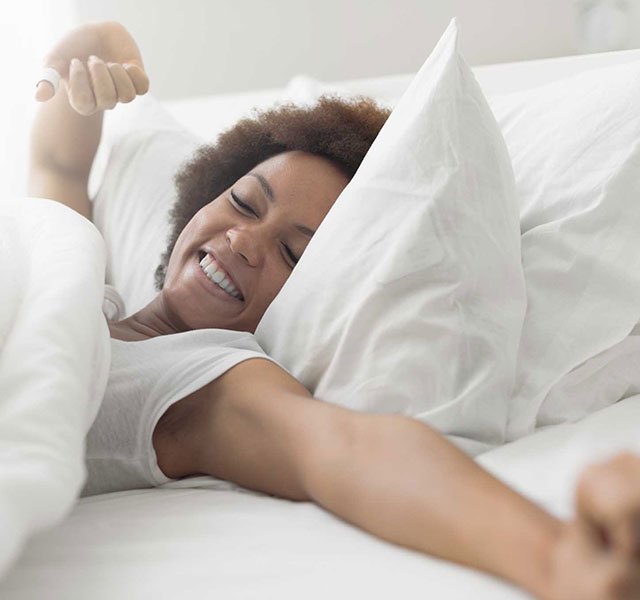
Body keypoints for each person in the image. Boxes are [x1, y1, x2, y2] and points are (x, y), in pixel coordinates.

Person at [30, 20, 640, 600]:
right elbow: (59, 164)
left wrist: (557, 556)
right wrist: (101, 44)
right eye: (243, 203)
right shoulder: (83, 281)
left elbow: (344, 450)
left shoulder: (200, 377)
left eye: (293, 252)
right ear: (198, 201)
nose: (245, 240)